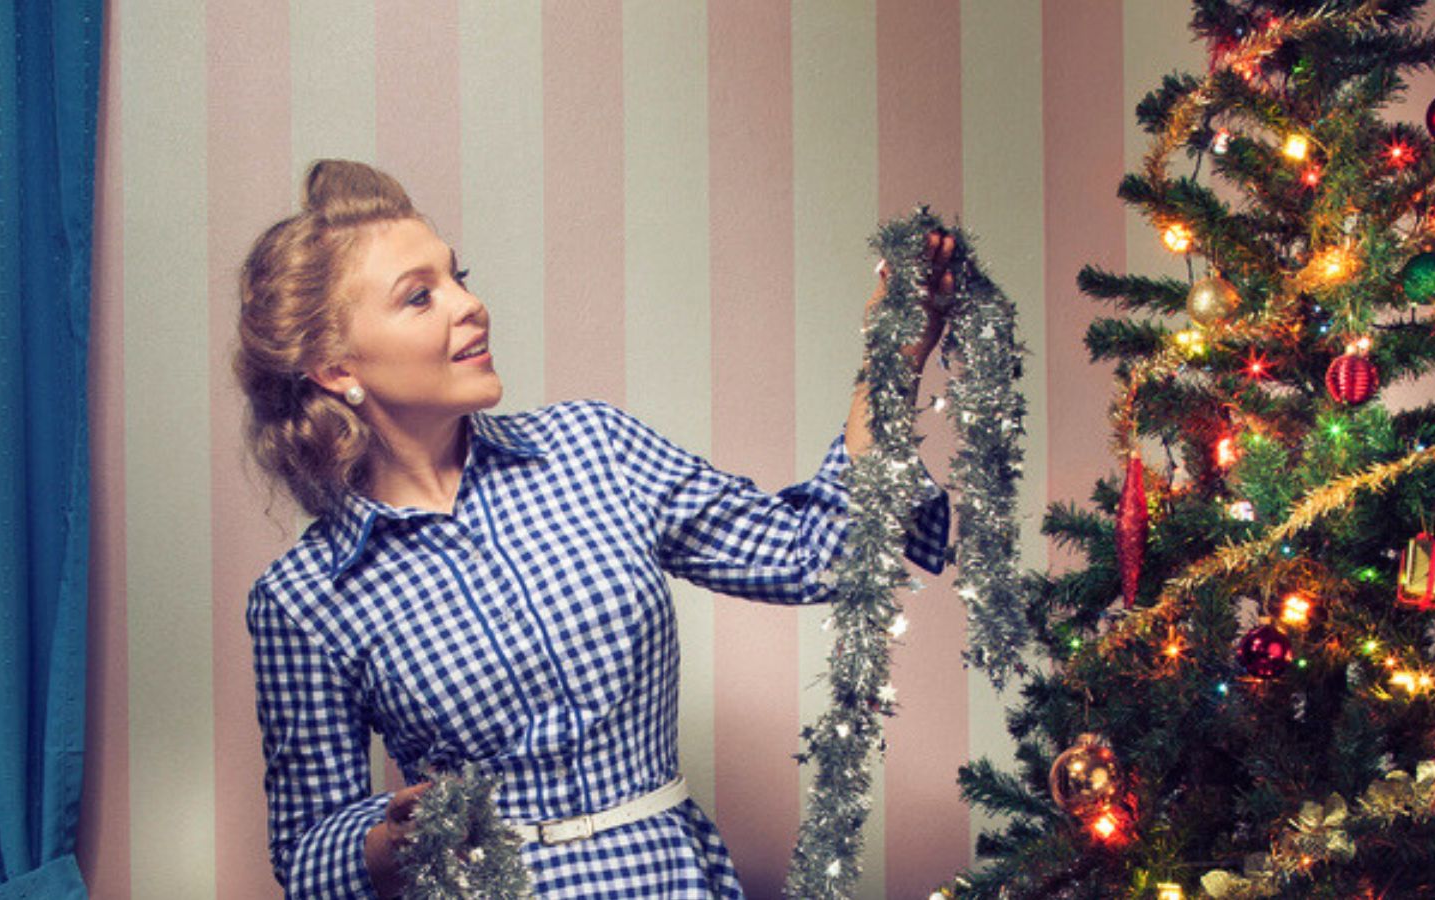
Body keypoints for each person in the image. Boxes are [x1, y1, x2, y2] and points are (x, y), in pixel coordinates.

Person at [235, 159, 955, 899]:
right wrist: (391, 834)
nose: (471, 305)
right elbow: (306, 858)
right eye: (420, 297)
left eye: (459, 276)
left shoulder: (593, 450)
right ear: (333, 366)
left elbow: (819, 554)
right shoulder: (303, 599)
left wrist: (892, 357)